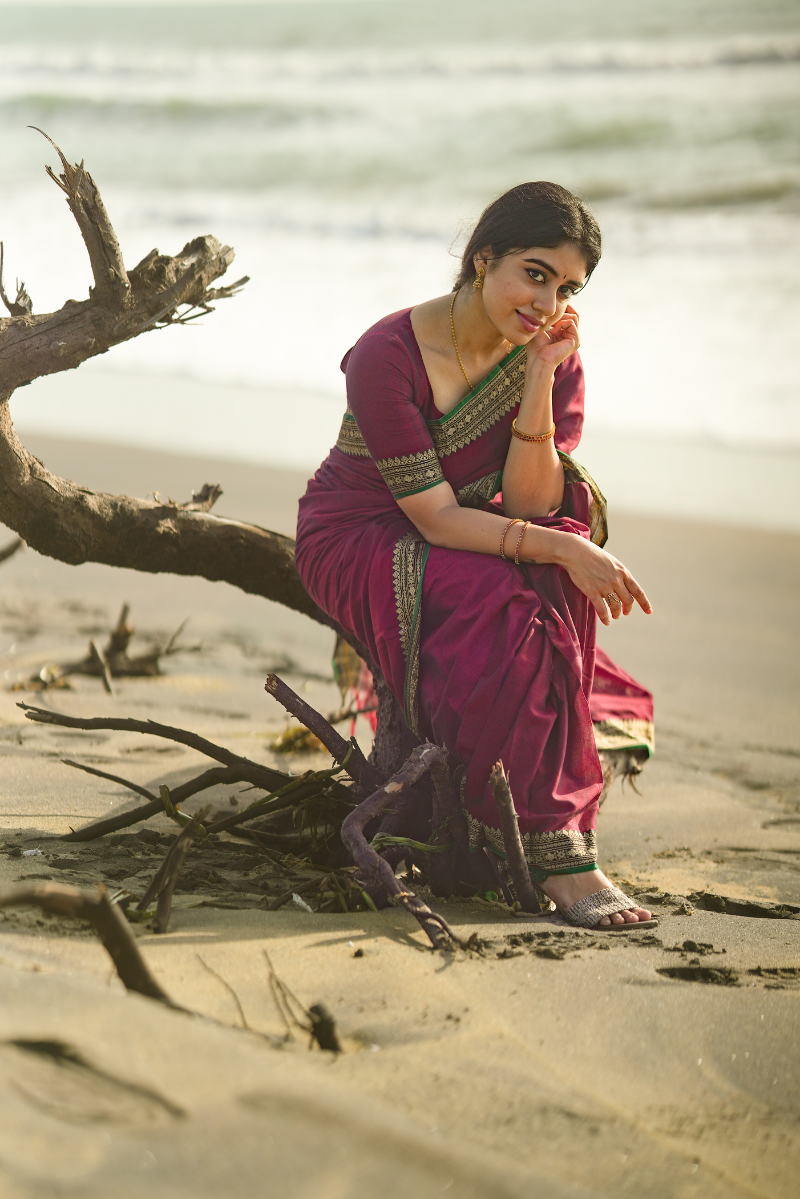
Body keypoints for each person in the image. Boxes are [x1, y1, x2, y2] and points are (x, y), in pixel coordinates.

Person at [296, 181, 655, 929]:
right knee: (514, 591)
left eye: (567, 287)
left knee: (557, 563)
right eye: (534, 273)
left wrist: (536, 383)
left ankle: (549, 831)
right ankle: (554, 854)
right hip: (360, 530)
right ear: (482, 257)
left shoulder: (549, 354)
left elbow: (529, 505)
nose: (548, 302)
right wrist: (555, 546)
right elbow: (430, 516)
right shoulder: (386, 354)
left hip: (468, 524)